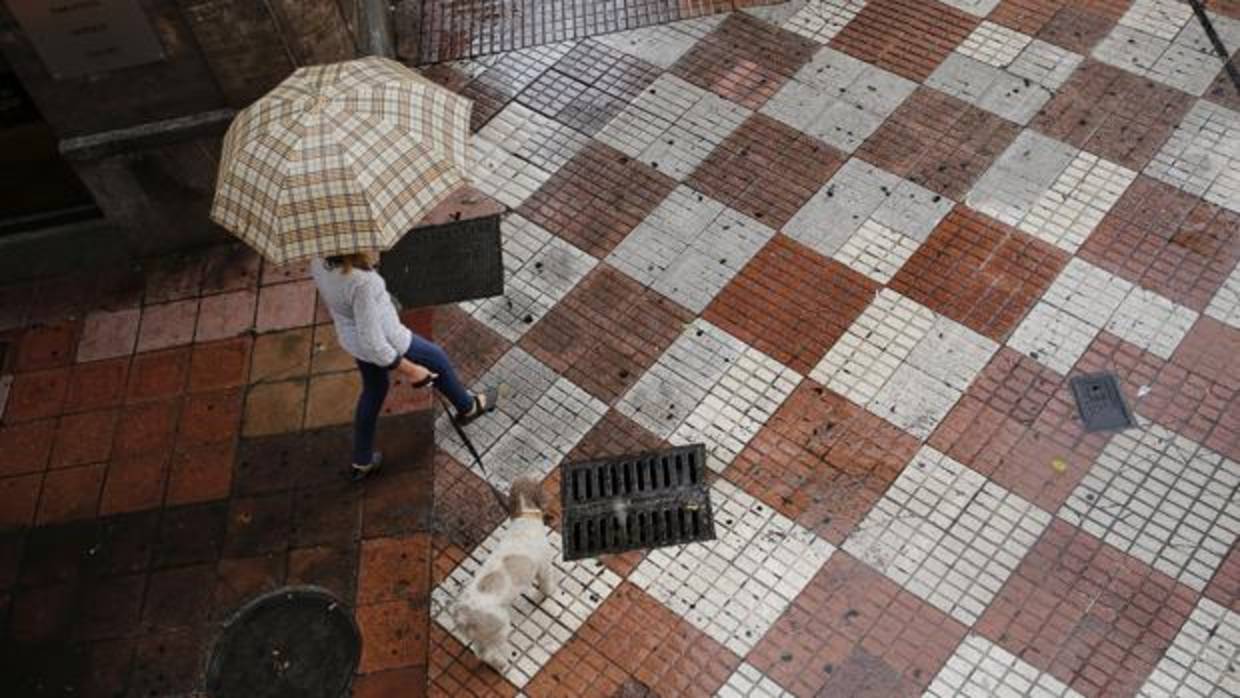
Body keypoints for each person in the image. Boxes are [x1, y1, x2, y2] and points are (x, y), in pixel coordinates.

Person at [311, 250, 497, 480]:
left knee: (374, 391)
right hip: (390, 340)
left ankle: (362, 460)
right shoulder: (361, 283)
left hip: (353, 340)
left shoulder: (319, 261)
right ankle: (468, 407)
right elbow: (374, 343)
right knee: (436, 358)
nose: (376, 246)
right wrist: (411, 370)